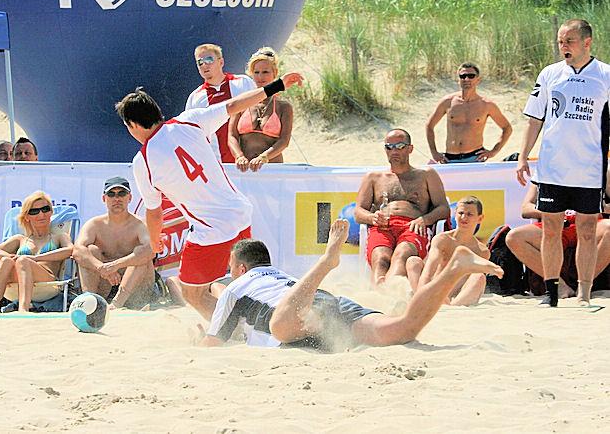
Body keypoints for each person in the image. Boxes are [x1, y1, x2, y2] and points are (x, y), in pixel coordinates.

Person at [116, 71, 304, 320]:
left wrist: (154, 241)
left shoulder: (143, 161)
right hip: (240, 214)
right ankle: (270, 318)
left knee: (191, 292)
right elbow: (234, 105)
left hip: (211, 231)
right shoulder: (189, 120)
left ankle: (233, 330)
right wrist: (276, 86)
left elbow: (154, 212)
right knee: (243, 281)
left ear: (133, 125)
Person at [200, 219, 503, 349]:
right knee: (403, 329)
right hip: (328, 303)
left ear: (241, 268)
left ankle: (327, 261)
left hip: (295, 315)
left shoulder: (236, 288)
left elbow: (213, 345)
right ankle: (455, 269)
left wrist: (198, 338)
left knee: (280, 326)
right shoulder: (278, 276)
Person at [516, 19, 610, 306]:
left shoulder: (605, 75)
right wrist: (522, 156)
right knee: (551, 228)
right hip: (553, 168)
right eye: (560, 41)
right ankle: (552, 292)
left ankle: (584, 293)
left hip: (589, 169)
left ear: (587, 42)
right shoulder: (549, 74)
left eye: (569, 41)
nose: (563, 46)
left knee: (587, 230)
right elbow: (534, 119)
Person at [354, 129, 450, 288]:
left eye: (399, 146)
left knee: (401, 255)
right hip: (382, 226)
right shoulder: (373, 178)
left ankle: (390, 290)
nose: (394, 151)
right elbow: (358, 212)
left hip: (412, 225)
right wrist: (372, 217)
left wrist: (424, 219)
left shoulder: (426, 175)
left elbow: (443, 208)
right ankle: (379, 292)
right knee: (380, 258)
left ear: (410, 148)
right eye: (389, 147)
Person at [73, 176, 177, 308]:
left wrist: (115, 265)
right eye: (111, 194)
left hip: (136, 289)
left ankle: (117, 304)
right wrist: (101, 267)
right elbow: (77, 251)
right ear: (104, 198)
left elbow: (150, 251)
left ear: (130, 197)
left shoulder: (140, 224)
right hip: (104, 284)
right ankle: (90, 302)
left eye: (121, 193)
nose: (117, 198)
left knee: (141, 252)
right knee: (90, 251)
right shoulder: (94, 224)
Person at [505, 181, 610, 298]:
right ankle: (559, 285)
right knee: (514, 237)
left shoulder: (595, 172)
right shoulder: (546, 174)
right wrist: (555, 211)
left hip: (590, 222)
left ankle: (584, 286)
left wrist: (596, 207)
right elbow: (526, 209)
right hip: (556, 223)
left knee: (608, 228)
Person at [0, 191, 73, 312]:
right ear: (27, 217)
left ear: (51, 213)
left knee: (23, 260)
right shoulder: (20, 239)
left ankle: (23, 309)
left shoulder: (59, 236)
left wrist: (35, 259)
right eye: (34, 211)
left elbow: (70, 250)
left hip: (48, 280)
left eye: (45, 209)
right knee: (6, 261)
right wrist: (12, 257)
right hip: (18, 279)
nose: (41, 214)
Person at [407, 196, 489, 306]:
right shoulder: (442, 239)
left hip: (453, 295)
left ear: (480, 218)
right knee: (413, 261)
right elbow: (429, 270)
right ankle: (421, 299)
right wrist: (424, 293)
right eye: (460, 213)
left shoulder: (482, 251)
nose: (464, 217)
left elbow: (469, 282)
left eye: (469, 214)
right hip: (431, 289)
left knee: (479, 277)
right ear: (455, 214)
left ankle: (452, 308)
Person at [426, 63, 512, 163]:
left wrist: (494, 151)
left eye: (471, 76)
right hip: (450, 158)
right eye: (463, 76)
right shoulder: (448, 101)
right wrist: (434, 152)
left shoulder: (487, 105)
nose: (466, 79)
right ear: (458, 80)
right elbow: (429, 126)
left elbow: (507, 128)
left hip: (475, 157)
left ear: (478, 80)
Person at [185, 43, 256, 163]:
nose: (204, 65)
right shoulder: (195, 98)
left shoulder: (243, 83)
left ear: (221, 62)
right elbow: (191, 135)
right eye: (200, 62)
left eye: (209, 60)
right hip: (217, 164)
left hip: (250, 161)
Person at [228, 47, 293, 172]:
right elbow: (232, 136)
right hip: (245, 169)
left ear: (275, 73)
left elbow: (284, 141)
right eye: (256, 72)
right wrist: (239, 156)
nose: (260, 76)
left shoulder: (283, 107)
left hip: (273, 169)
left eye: (265, 72)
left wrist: (264, 157)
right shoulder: (242, 103)